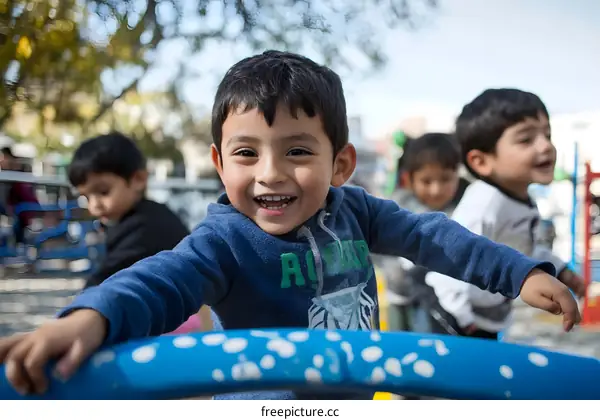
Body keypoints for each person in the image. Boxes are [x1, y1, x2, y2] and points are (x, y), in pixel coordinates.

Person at [0, 52, 584, 400]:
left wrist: (517, 271)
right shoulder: (222, 242)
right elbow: (157, 279)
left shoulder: (355, 211)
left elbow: (432, 235)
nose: (270, 175)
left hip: (356, 392)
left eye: (298, 151)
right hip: (268, 404)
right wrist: (88, 318)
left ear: (341, 164)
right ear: (219, 163)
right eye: (247, 153)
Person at [425, 88, 586, 340]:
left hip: (485, 316)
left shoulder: (521, 198)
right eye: (526, 140)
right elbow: (451, 260)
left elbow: (521, 248)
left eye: (547, 134)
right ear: (481, 162)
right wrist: (464, 320)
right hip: (454, 317)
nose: (546, 146)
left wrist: (560, 269)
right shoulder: (485, 203)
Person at [376, 133, 463, 331]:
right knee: (400, 345)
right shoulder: (397, 209)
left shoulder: (462, 211)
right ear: (408, 179)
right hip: (399, 293)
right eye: (426, 181)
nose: (436, 189)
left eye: (445, 179)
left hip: (441, 300)